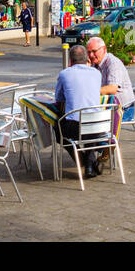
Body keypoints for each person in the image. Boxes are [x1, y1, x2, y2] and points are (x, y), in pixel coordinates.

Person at [54, 43, 104, 178]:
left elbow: (58, 98)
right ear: (87, 58)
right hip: (99, 125)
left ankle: (81, 160)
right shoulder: (96, 73)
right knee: (89, 126)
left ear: (70, 60)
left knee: (57, 130)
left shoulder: (64, 74)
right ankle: (90, 162)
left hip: (76, 127)